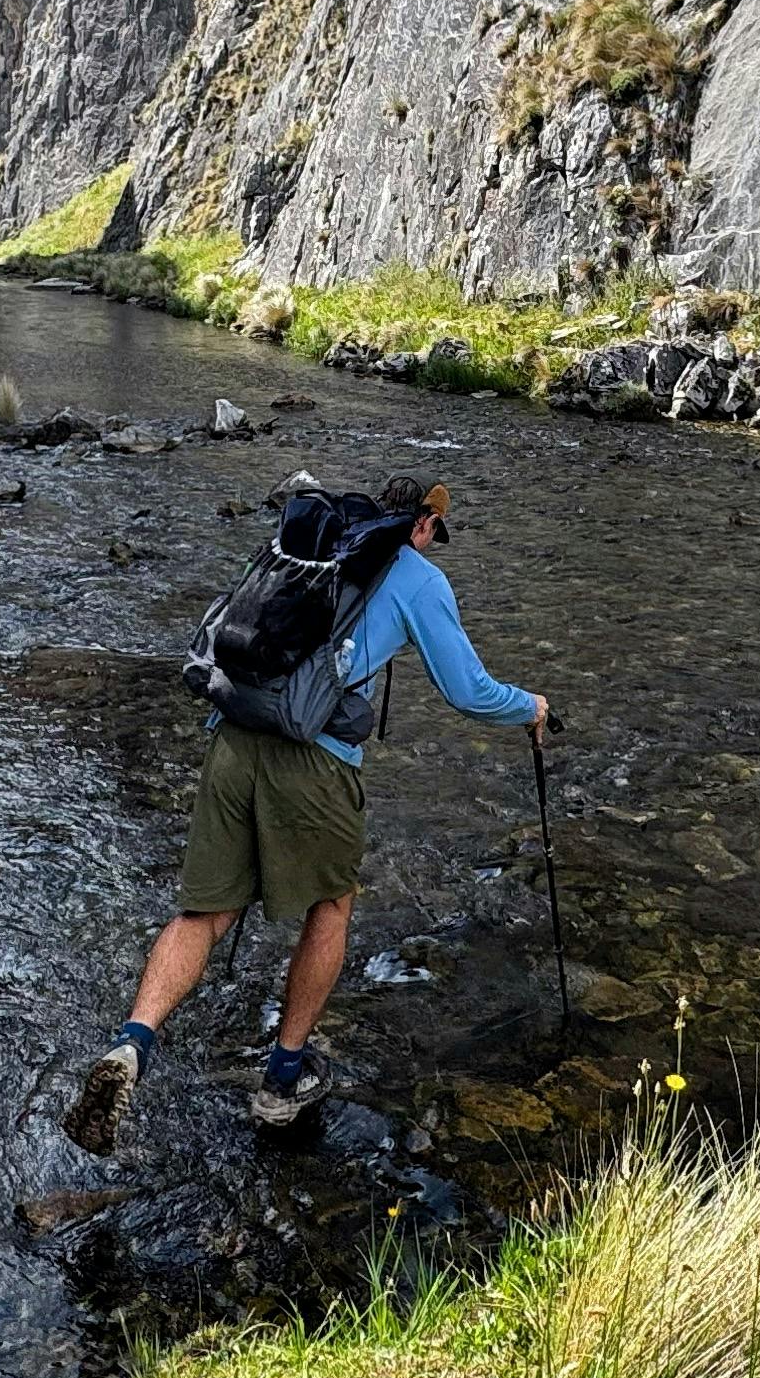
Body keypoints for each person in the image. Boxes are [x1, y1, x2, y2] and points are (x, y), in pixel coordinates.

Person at [64, 473, 546, 1149]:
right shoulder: (419, 580)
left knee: (204, 911)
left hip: (232, 739)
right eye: (435, 530)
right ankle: (281, 1083)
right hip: (313, 761)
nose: (432, 541)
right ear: (424, 525)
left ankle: (131, 1045)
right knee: (332, 906)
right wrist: (532, 708)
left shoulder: (303, 550)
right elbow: (467, 690)